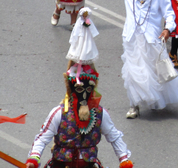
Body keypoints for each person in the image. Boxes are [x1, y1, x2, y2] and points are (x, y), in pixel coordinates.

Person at [69, 0, 178, 119]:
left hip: (152, 39)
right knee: (133, 72)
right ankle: (134, 105)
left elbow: (170, 14)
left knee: (153, 73)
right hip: (132, 38)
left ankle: (155, 100)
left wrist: (167, 29)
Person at [25, 13, 133, 168]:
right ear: (71, 88)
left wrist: (124, 159)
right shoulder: (59, 113)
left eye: (88, 88)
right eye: (79, 88)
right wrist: (33, 159)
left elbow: (114, 137)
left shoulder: (100, 114)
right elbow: (42, 138)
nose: (84, 93)